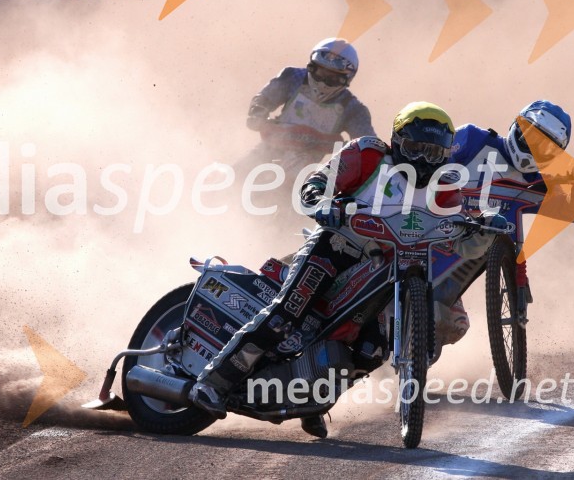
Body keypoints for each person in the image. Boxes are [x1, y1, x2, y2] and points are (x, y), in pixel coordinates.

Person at [190, 102, 505, 438]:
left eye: (434, 153)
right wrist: (322, 201)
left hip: (389, 267)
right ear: (397, 139)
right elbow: (317, 182)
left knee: (372, 352)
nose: (424, 161)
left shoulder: (445, 185)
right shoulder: (367, 154)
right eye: (416, 149)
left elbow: (457, 237)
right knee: (286, 315)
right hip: (337, 246)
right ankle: (213, 381)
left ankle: (307, 401)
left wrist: (482, 230)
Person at [431, 100, 574, 357]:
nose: (533, 149)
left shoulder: (540, 182)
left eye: (545, 148)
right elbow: (430, 166)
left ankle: (415, 354)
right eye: (530, 137)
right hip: (428, 233)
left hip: (471, 255)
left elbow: (573, 212)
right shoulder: (472, 138)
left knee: (452, 326)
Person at [237, 38, 375, 184]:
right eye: (320, 73)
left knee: (300, 202)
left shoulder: (353, 109)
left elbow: (370, 147)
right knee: (233, 178)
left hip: (307, 174)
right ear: (311, 67)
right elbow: (265, 98)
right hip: (266, 151)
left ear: (346, 78)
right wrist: (257, 113)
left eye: (332, 78)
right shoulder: (292, 77)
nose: (322, 82)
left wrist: (350, 153)